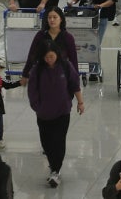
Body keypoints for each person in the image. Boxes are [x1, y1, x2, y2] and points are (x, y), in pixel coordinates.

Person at [27, 41, 85, 188]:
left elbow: (75, 85)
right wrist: (37, 107)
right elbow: (32, 91)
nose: (49, 60)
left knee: (59, 141)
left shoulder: (66, 66)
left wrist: (80, 102)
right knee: (46, 143)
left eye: (51, 56)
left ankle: (55, 170)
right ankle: (53, 166)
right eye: (46, 57)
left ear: (57, 54)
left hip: (62, 112)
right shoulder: (37, 70)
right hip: (43, 114)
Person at [69, 0, 117, 76]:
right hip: (84, 17)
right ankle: (82, 65)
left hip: (100, 17)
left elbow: (111, 0)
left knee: (95, 43)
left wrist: (101, 5)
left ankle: (94, 69)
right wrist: (71, 1)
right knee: (83, 42)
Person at [21, 6, 79, 81]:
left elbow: (73, 59)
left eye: (55, 17)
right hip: (43, 75)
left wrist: (76, 79)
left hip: (62, 76)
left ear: (61, 19)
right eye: (49, 17)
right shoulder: (40, 35)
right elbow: (32, 55)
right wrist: (25, 74)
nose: (52, 20)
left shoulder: (68, 37)